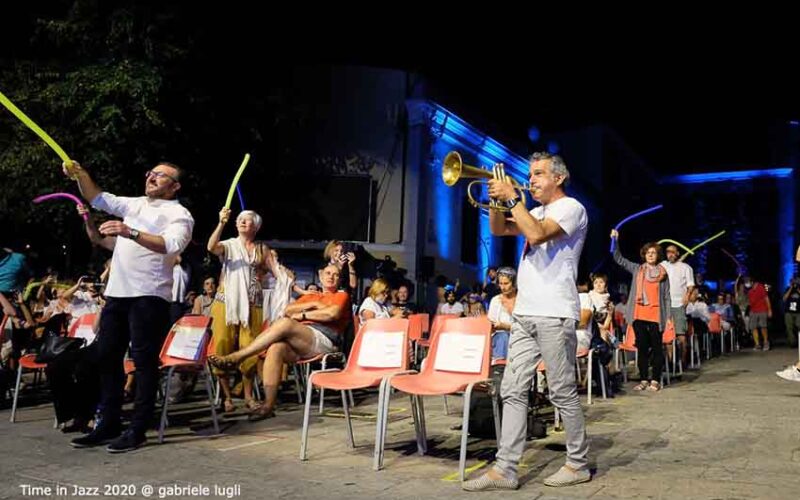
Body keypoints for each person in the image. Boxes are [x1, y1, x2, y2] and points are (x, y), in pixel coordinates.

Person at [463, 151, 590, 491]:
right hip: (525, 314)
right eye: (530, 175)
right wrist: (495, 200)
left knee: (561, 392)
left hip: (555, 312)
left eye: (538, 174)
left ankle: (578, 464)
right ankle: (505, 469)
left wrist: (514, 197)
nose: (530, 179)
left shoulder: (571, 208)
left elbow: (535, 235)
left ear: (558, 178)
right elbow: (500, 228)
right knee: (512, 389)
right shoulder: (533, 209)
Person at [65, 160, 193, 453]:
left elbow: (171, 245)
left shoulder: (179, 214)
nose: (152, 177)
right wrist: (80, 174)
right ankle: (108, 423)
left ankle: (138, 429)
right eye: (151, 172)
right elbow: (96, 197)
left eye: (161, 175)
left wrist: (130, 232)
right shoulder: (133, 204)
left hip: (149, 296)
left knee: (144, 363)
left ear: (174, 186)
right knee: (107, 358)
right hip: (117, 294)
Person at [209, 264, 351, 421]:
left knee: (285, 324)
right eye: (328, 273)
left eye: (336, 275)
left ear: (339, 279)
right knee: (276, 348)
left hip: (325, 340)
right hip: (300, 341)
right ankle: (268, 406)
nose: (331, 277)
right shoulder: (310, 296)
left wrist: (302, 316)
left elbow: (332, 314)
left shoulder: (341, 295)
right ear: (321, 275)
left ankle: (237, 357)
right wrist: (314, 305)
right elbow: (288, 311)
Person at [207, 208, 275, 414]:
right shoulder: (229, 244)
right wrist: (221, 223)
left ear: (257, 226)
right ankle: (227, 397)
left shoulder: (262, 249)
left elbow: (275, 270)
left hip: (253, 303)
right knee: (222, 346)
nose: (244, 223)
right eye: (241, 220)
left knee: (249, 349)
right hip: (225, 302)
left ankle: (248, 396)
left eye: (248, 221)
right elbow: (211, 247)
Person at [611, 230, 670, 392]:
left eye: (654, 253)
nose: (651, 255)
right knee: (642, 348)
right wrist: (615, 240)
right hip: (639, 314)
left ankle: (656, 380)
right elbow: (619, 259)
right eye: (648, 253)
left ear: (658, 256)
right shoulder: (637, 269)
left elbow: (666, 296)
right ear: (644, 255)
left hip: (656, 315)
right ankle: (644, 379)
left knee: (657, 349)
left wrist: (668, 317)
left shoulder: (663, 274)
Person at [661, 244, 695, 370]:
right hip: (665, 305)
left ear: (677, 253)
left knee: (681, 336)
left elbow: (691, 285)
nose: (670, 254)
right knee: (668, 336)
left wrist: (687, 296)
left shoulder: (686, 268)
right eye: (668, 251)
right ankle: (670, 362)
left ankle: (682, 361)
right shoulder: (663, 265)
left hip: (679, 304)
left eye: (672, 252)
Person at [486, 267, 517, 361]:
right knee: (503, 336)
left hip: (518, 336)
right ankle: (499, 366)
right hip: (499, 338)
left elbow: (525, 326)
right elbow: (491, 324)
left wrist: (506, 326)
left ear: (514, 283)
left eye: (506, 283)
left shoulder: (521, 301)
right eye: (500, 283)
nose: (503, 287)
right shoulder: (496, 300)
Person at [782, 276, 800, 349]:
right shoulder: (788, 289)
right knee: (789, 327)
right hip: (789, 312)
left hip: (798, 312)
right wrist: (791, 288)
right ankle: (792, 342)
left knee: (799, 325)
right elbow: (784, 298)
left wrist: (798, 288)